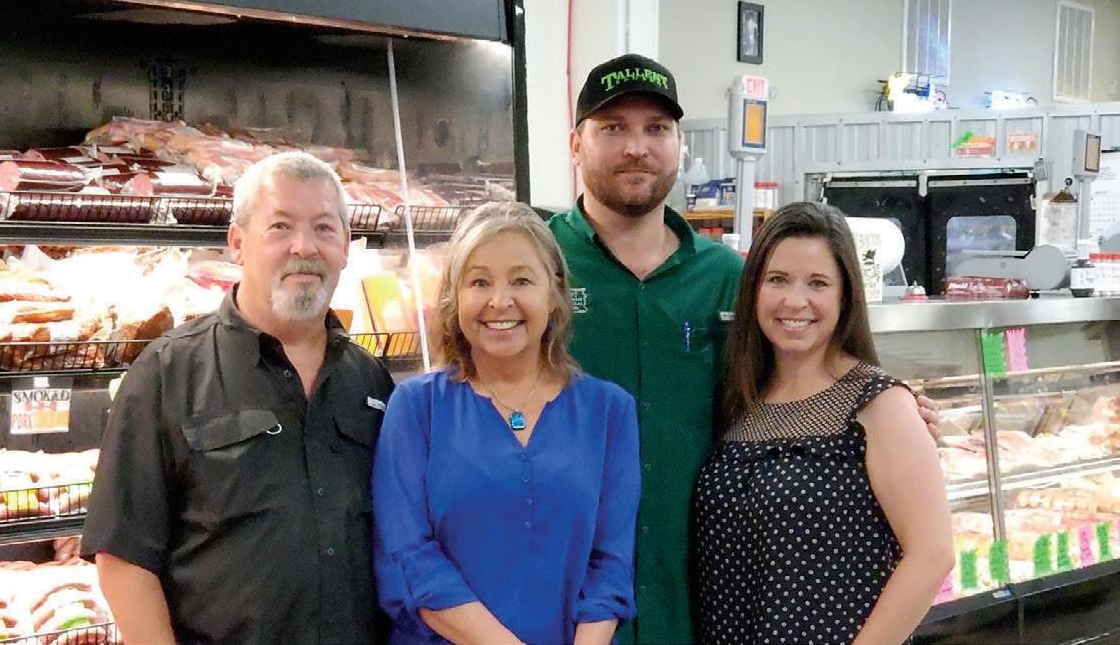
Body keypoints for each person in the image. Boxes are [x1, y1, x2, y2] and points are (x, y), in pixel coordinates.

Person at [549, 53, 941, 644]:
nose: (637, 147)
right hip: (566, 600)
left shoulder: (729, 279)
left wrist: (893, 418)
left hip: (699, 607)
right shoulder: (538, 264)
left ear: (679, 144)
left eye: (656, 128)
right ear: (575, 145)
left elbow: (803, 382)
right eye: (613, 128)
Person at [82, 151, 393, 645]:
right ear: (237, 243)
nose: (304, 247)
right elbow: (123, 559)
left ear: (346, 247)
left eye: (324, 228)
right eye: (280, 227)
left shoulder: (372, 383)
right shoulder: (167, 374)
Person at [373, 201, 640, 645]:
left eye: (521, 280)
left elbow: (610, 567)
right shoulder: (417, 408)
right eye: (479, 282)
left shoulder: (609, 411)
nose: (500, 301)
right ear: (455, 297)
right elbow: (410, 559)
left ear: (554, 294)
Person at [693, 201, 954, 644]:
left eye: (818, 283)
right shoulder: (738, 400)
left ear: (844, 295)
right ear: (753, 289)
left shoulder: (879, 403)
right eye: (778, 279)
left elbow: (931, 555)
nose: (795, 301)